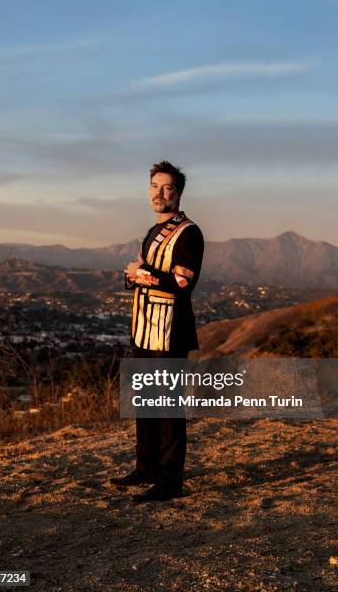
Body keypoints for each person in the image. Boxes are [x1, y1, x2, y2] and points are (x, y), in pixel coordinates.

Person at [111, 160, 204, 502]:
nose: (159, 193)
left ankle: (170, 481)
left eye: (166, 188)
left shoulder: (189, 232)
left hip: (170, 333)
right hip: (145, 330)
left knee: (167, 408)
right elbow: (137, 276)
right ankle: (146, 467)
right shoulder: (153, 231)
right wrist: (134, 275)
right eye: (154, 186)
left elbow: (182, 282)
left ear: (178, 193)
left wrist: (140, 273)